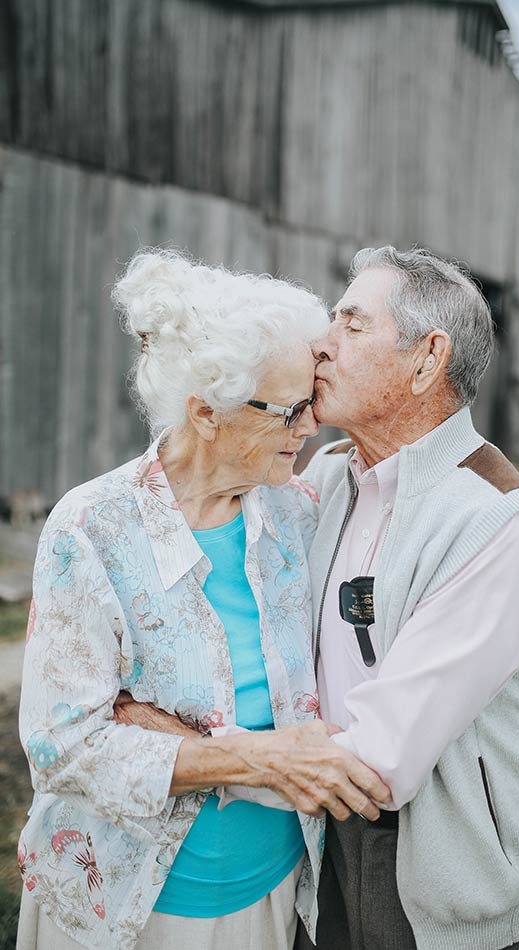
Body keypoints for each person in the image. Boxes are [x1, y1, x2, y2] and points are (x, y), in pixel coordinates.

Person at [16, 249, 390, 950]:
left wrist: (173, 736)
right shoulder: (92, 526)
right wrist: (260, 758)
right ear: (207, 414)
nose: (311, 427)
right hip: (126, 904)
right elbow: (61, 747)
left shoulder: (300, 510)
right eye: (291, 410)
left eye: (313, 401)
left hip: (272, 887)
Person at [297, 246, 519, 950]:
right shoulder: (329, 475)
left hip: (453, 881)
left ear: (426, 359)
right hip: (321, 830)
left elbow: (382, 762)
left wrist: (224, 751)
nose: (320, 345)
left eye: (352, 326)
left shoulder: (499, 524)